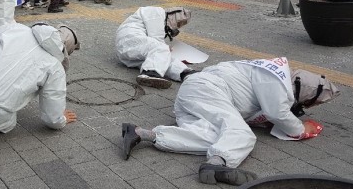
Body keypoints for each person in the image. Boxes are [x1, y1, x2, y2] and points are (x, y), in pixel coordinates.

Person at [120, 59, 340, 186]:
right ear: (305, 92)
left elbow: (269, 111)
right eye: (311, 102)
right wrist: (302, 129)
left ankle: (142, 133)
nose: (308, 107)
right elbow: (278, 113)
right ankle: (216, 166)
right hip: (207, 89)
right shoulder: (277, 80)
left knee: (217, 137)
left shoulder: (273, 74)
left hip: (196, 95)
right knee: (241, 134)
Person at [115, 6, 195, 88]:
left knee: (162, 59)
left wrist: (167, 50)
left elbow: (158, 47)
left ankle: (184, 73)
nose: (177, 26)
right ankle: (150, 73)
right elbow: (157, 40)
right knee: (161, 49)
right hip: (130, 40)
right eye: (178, 23)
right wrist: (168, 49)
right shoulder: (157, 12)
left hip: (130, 51)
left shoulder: (159, 19)